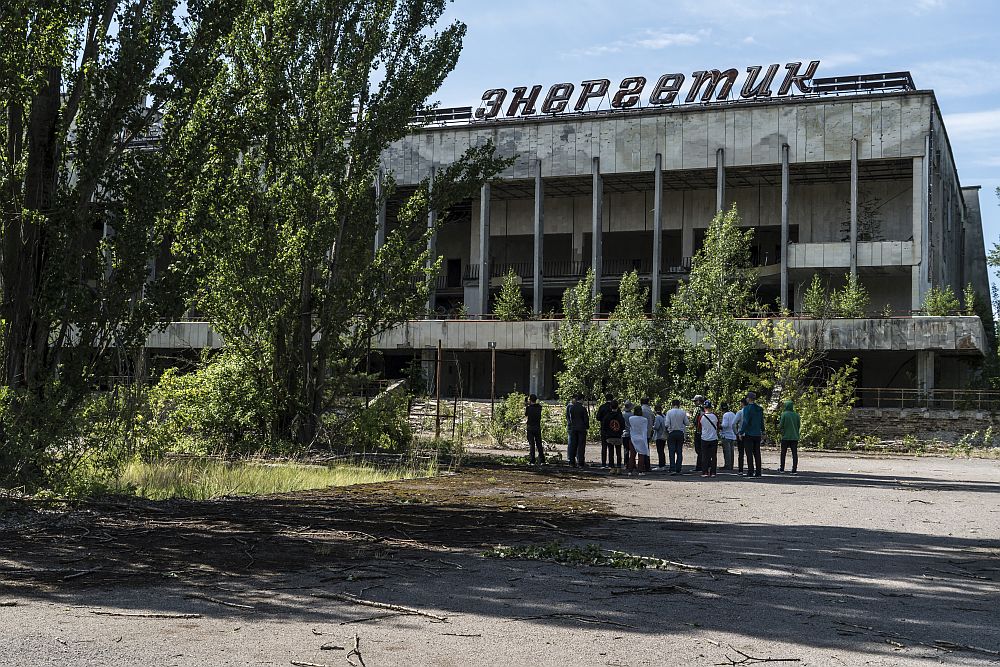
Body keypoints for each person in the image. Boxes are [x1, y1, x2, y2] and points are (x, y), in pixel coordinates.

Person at [741, 391, 765, 477]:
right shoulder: (759, 409)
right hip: (757, 434)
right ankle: (758, 472)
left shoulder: (747, 409)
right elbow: (761, 421)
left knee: (749, 453)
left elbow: (746, 421)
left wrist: (741, 432)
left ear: (748, 398)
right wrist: (763, 431)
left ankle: (750, 471)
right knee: (757, 453)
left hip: (749, 433)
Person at [600, 401, 626, 474]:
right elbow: (623, 426)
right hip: (618, 436)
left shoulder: (607, 416)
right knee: (618, 452)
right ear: (617, 407)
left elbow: (604, 427)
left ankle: (612, 467)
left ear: (610, 407)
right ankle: (618, 467)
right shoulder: (620, 416)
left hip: (609, 436)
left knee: (611, 452)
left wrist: (606, 434)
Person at [665, 399, 688, 475]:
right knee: (679, 451)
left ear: (672, 404)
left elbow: (667, 424)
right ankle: (678, 468)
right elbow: (687, 423)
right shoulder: (683, 412)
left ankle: (672, 468)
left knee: (671, 451)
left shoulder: (669, 412)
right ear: (679, 404)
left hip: (672, 432)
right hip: (680, 433)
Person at [778, 399, 801, 474]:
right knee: (794, 454)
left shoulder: (784, 414)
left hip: (785, 436)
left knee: (783, 453)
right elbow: (798, 425)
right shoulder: (796, 415)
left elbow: (781, 426)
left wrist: (782, 431)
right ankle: (794, 469)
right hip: (794, 437)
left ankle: (782, 468)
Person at [567, 393, 589, 468]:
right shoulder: (583, 408)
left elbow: (570, 418)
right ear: (582, 399)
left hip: (573, 428)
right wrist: (587, 427)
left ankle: (572, 462)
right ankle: (580, 462)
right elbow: (586, 419)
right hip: (581, 429)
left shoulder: (572, 408)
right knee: (581, 446)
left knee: (573, 445)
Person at [700, 400, 720, 477]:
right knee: (713, 456)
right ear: (711, 407)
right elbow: (718, 426)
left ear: (704, 408)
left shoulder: (702, 417)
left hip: (704, 438)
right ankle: (713, 472)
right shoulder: (715, 416)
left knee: (704, 456)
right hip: (714, 438)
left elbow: (699, 427)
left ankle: (705, 472)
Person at [628, 405, 651, 475]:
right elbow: (644, 430)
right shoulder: (644, 420)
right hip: (641, 438)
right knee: (641, 455)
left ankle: (630, 471)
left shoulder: (631, 418)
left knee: (632, 455)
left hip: (633, 438)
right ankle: (640, 471)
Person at [596, 393, 615, 469]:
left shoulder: (602, 407)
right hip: (612, 429)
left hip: (604, 428)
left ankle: (603, 463)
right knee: (611, 447)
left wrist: (603, 420)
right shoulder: (614, 407)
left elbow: (598, 417)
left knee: (604, 446)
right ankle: (611, 463)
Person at [525, 394, 545, 465]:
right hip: (537, 427)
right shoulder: (539, 407)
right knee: (539, 444)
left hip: (530, 427)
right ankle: (542, 460)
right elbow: (537, 405)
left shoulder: (528, 408)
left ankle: (532, 460)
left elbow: (526, 414)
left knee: (532, 444)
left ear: (530, 400)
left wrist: (526, 404)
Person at [720, 403, 737, 471]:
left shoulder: (725, 415)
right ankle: (731, 465)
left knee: (727, 451)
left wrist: (719, 426)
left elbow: (725, 425)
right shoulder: (733, 414)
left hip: (726, 435)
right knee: (731, 451)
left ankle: (727, 465)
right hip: (732, 434)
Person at [734, 398, 748, 473]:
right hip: (749, 434)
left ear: (742, 403)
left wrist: (736, 432)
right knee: (749, 453)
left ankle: (740, 470)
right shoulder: (751, 412)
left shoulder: (740, 412)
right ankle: (750, 469)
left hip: (741, 434)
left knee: (741, 453)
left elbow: (734, 423)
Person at [652, 404, 668, 469]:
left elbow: (657, 427)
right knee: (662, 450)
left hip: (659, 436)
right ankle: (663, 464)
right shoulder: (664, 416)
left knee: (660, 451)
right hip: (664, 435)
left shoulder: (658, 417)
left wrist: (652, 427)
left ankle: (661, 465)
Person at [692, 395, 705, 472]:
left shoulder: (697, 409)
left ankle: (699, 466)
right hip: (705, 432)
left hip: (698, 431)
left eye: (695, 401)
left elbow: (694, 420)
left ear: (698, 401)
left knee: (698, 450)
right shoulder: (705, 408)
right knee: (704, 449)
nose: (694, 403)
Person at [621, 401, 634, 472]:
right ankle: (632, 463)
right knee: (632, 450)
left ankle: (626, 463)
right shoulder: (632, 415)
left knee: (626, 449)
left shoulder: (622, 414)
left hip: (624, 433)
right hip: (631, 433)